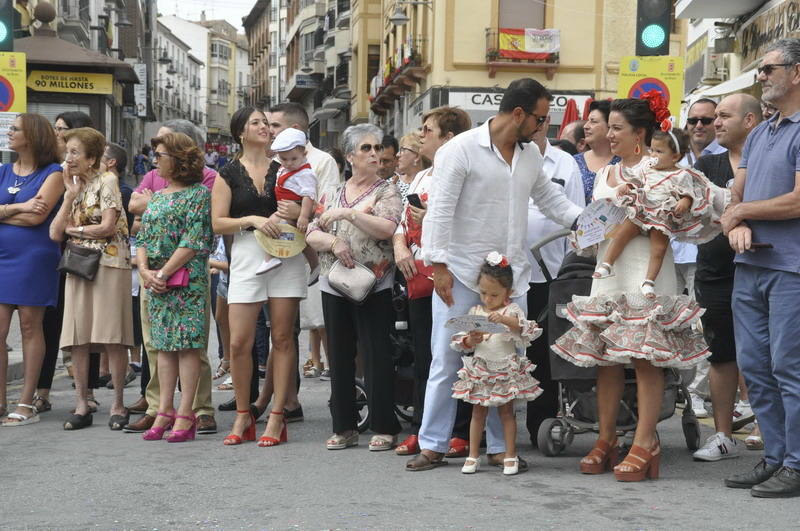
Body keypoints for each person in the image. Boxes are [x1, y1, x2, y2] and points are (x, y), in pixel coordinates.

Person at [405, 78, 583, 472]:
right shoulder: (461, 149)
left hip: (511, 279)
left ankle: (501, 447)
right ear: (518, 113)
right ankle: (433, 443)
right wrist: (437, 266)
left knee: (506, 362)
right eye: (539, 119)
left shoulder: (530, 155)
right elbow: (441, 210)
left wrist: (588, 222)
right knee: (448, 358)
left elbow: (552, 201)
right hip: (463, 274)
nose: (543, 128)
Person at [552, 98, 711, 482]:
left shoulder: (660, 167)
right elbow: (594, 225)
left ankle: (645, 441)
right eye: (609, 127)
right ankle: (606, 438)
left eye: (617, 127)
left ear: (639, 134)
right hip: (608, 269)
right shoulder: (606, 172)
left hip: (648, 270)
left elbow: (693, 208)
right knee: (606, 358)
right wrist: (586, 237)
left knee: (644, 356)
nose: (609, 134)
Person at [722, 39, 800, 498]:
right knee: (755, 367)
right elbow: (737, 195)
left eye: (769, 69)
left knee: (789, 367)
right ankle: (774, 458)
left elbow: (797, 200)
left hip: (791, 268)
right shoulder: (760, 132)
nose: (762, 77)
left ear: (796, 73)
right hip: (749, 265)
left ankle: (796, 462)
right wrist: (737, 221)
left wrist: (740, 213)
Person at [306, 123, 403, 451]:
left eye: (377, 148)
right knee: (340, 354)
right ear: (350, 156)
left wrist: (347, 214)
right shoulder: (331, 192)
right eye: (366, 148)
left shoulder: (386, 190)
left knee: (377, 353)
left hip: (374, 283)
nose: (374, 154)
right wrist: (334, 243)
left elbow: (387, 227)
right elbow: (310, 231)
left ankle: (384, 426)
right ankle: (344, 426)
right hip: (334, 283)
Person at [213, 106, 305, 447]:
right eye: (257, 122)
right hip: (247, 253)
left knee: (282, 337)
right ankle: (243, 413)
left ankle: (278, 416)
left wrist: (299, 212)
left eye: (267, 122)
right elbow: (217, 222)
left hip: (286, 250)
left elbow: (308, 203)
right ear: (241, 132)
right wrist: (250, 219)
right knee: (239, 341)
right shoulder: (227, 173)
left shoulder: (285, 166)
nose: (265, 127)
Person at [123, 119, 218, 436]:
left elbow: (195, 241)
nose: (155, 161)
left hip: (187, 281)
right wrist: (146, 271)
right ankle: (164, 411)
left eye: (160, 155)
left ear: (177, 160)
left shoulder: (199, 195)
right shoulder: (159, 197)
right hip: (158, 281)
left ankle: (186, 414)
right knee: (163, 347)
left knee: (189, 347)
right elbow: (143, 239)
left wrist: (161, 273)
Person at [393, 106, 472, 456]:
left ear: (449, 138)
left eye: (428, 129)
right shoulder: (422, 178)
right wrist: (400, 249)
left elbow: (468, 224)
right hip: (419, 274)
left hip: (452, 273)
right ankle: (423, 425)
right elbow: (401, 222)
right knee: (425, 355)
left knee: (460, 353)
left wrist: (430, 222)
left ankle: (461, 429)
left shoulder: (467, 174)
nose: (421, 134)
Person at [691, 93, 764, 462]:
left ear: (749, 120)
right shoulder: (708, 162)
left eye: (722, 116)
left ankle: (765, 425)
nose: (714, 124)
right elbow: (699, 213)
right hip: (715, 272)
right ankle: (722, 435)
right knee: (721, 354)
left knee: (764, 352)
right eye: (713, 117)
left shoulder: (768, 157)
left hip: (763, 267)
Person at [49, 127, 134, 431]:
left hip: (110, 263)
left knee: (112, 335)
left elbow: (108, 227)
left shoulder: (107, 181)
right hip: (79, 265)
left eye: (75, 152)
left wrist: (77, 230)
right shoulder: (73, 186)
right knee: (78, 335)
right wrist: (69, 197)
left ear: (92, 158)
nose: (68, 158)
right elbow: (55, 232)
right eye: (67, 151)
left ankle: (119, 403)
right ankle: (83, 402)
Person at [592, 125, 721, 298]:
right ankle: (607, 263)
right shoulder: (647, 169)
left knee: (658, 249)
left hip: (662, 217)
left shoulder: (682, 174)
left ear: (675, 156)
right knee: (621, 234)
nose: (653, 155)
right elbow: (635, 180)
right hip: (641, 211)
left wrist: (685, 201)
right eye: (652, 149)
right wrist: (626, 186)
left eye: (659, 151)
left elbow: (691, 193)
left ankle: (649, 281)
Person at [451, 253, 543, 475]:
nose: (488, 299)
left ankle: (509, 454)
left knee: (507, 413)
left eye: (494, 294)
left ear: (508, 293)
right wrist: (470, 339)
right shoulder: (476, 312)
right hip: (481, 369)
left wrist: (504, 320)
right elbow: (461, 338)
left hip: (504, 369)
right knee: (477, 413)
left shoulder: (511, 311)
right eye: (483, 293)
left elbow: (526, 328)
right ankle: (473, 455)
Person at [524, 114, 585, 446]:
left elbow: (576, 214)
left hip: (550, 271)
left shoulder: (564, 163)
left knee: (543, 354)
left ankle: (540, 425)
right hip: (508, 273)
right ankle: (493, 429)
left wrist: (570, 272)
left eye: (539, 121)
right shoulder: (507, 157)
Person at [0, 114, 64, 426]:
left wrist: (3, 213)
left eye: (15, 129)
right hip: (2, 256)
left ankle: (26, 402)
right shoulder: (2, 171)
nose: (9, 133)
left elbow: (38, 219)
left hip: (34, 258)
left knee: (29, 326)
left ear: (33, 136)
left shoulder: (54, 173)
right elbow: (28, 212)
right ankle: (0, 401)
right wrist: (18, 207)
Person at [255, 127, 319, 278]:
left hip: (294, 206)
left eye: (294, 159)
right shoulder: (285, 169)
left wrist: (303, 216)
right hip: (285, 206)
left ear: (304, 154)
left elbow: (309, 195)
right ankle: (314, 264)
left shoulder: (305, 173)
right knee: (301, 239)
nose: (289, 163)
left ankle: (270, 258)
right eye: (284, 159)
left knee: (270, 226)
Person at [574, 100, 621, 204]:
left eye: (593, 121)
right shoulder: (574, 162)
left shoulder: (623, 163)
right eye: (587, 121)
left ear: (610, 126)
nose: (585, 126)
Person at [682, 98, 727, 167]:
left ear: (718, 122)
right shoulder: (674, 152)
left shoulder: (728, 154)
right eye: (693, 120)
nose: (698, 126)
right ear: (687, 123)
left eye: (706, 120)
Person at [392, 132, 429, 202]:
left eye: (402, 150)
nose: (397, 154)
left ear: (417, 156)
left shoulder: (430, 183)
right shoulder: (391, 182)